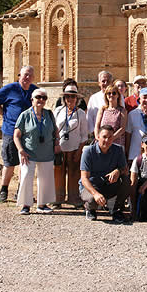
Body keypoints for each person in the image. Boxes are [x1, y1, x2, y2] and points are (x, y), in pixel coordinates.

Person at [0, 65, 38, 204]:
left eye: (30, 75)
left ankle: (21, 192)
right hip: (10, 131)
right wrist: (3, 114)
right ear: (19, 76)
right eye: (25, 74)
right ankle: (3, 190)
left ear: (33, 77)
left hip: (28, 133)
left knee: (25, 163)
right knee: (10, 162)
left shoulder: (34, 91)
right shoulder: (11, 88)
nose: (27, 77)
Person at [13, 88, 57, 215]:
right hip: (28, 153)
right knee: (26, 176)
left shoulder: (49, 114)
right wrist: (21, 150)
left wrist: (57, 144)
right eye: (38, 97)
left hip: (46, 152)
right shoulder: (25, 115)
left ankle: (42, 204)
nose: (41, 100)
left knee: (45, 178)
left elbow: (55, 131)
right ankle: (26, 205)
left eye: (44, 98)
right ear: (32, 99)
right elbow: (16, 135)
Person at [80, 125, 130, 223]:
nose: (107, 140)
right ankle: (90, 209)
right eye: (104, 137)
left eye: (110, 137)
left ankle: (116, 209)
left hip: (109, 184)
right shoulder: (88, 152)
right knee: (92, 198)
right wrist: (95, 194)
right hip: (92, 186)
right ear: (98, 137)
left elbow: (125, 169)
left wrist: (118, 171)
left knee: (126, 180)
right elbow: (84, 178)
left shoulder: (118, 150)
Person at [53, 80, 87, 208]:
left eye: (73, 96)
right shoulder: (58, 111)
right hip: (60, 148)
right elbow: (53, 130)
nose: (70, 99)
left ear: (76, 98)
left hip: (74, 148)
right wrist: (55, 145)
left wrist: (79, 151)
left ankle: (74, 199)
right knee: (58, 174)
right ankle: (57, 199)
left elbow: (84, 135)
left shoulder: (81, 113)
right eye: (67, 96)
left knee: (74, 174)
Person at [95, 84, 127, 153]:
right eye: (109, 93)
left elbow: (122, 128)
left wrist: (110, 138)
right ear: (106, 95)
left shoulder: (122, 110)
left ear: (118, 95)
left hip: (117, 144)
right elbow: (97, 125)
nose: (111, 95)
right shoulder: (102, 109)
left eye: (114, 93)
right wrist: (97, 137)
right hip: (102, 144)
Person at [86, 70, 114, 138]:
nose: (106, 83)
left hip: (114, 136)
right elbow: (89, 117)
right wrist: (95, 133)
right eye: (103, 81)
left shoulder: (118, 97)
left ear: (111, 83)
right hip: (97, 135)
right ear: (99, 83)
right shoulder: (94, 98)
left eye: (108, 81)